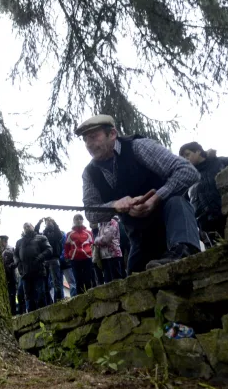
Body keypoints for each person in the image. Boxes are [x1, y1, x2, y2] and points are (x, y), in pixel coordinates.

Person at [78, 114, 201, 274]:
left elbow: (188, 171)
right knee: (134, 278)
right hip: (140, 236)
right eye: (86, 139)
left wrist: (157, 197)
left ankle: (184, 253)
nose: (89, 144)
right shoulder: (89, 173)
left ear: (112, 133)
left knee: (176, 202)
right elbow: (91, 213)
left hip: (172, 223)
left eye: (94, 137)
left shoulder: (138, 147)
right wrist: (114, 205)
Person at [178, 142, 228, 241]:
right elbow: (184, 205)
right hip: (207, 227)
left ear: (198, 151)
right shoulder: (187, 178)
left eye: (187, 154)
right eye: (183, 157)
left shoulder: (223, 162)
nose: (185, 159)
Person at [14, 222, 53, 312]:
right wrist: (18, 262)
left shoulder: (41, 237)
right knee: (28, 296)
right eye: (24, 227)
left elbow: (49, 249)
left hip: (38, 270)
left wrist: (40, 257)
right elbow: (15, 255)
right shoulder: (19, 242)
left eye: (28, 226)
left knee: (40, 294)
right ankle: (31, 315)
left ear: (32, 227)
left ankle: (44, 314)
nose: (26, 228)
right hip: (25, 272)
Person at [34, 218, 65, 304]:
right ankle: (49, 302)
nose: (48, 223)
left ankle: (58, 301)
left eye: (50, 221)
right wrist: (39, 223)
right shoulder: (43, 234)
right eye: (47, 222)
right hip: (45, 260)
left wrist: (54, 222)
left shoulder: (57, 232)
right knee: (46, 283)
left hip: (54, 259)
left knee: (56, 282)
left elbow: (60, 236)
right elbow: (35, 233)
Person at [64, 215, 96, 293]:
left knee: (88, 279)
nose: (78, 220)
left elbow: (92, 244)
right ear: (74, 221)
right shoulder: (69, 234)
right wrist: (67, 256)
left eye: (80, 219)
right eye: (76, 219)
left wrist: (92, 254)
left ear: (82, 220)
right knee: (78, 280)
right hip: (75, 259)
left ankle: (90, 296)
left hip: (87, 258)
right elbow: (67, 246)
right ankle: (80, 297)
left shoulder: (88, 232)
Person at [95, 216, 124, 283]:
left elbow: (106, 239)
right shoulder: (101, 224)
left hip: (113, 254)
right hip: (104, 256)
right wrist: (98, 240)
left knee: (116, 279)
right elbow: (101, 238)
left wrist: (97, 240)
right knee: (108, 280)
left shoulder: (112, 222)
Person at [0, 235, 19, 315]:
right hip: (2, 277)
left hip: (10, 276)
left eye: (2, 240)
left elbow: (16, 262)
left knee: (11, 296)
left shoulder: (10, 249)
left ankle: (13, 313)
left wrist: (9, 267)